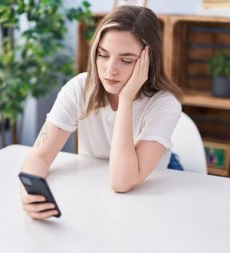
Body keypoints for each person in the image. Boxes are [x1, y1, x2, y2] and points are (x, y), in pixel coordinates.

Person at [20, 5, 182, 220]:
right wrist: (28, 195)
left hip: (150, 191)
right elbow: (39, 155)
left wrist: (125, 100)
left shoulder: (165, 103)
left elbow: (121, 182)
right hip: (96, 188)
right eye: (103, 55)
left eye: (126, 60)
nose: (110, 69)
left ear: (148, 61)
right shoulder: (79, 88)